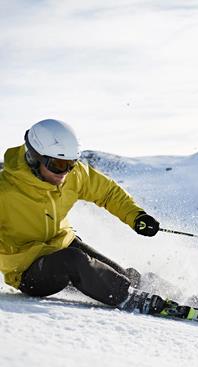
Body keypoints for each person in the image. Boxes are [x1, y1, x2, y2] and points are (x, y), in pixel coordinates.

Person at [0, 119, 166, 314]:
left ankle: (169, 295)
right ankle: (133, 300)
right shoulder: (6, 191)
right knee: (75, 261)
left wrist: (136, 216)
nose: (65, 172)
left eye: (71, 164)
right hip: (28, 270)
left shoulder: (73, 175)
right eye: (59, 164)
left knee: (117, 276)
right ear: (34, 158)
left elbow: (107, 192)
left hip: (63, 244)